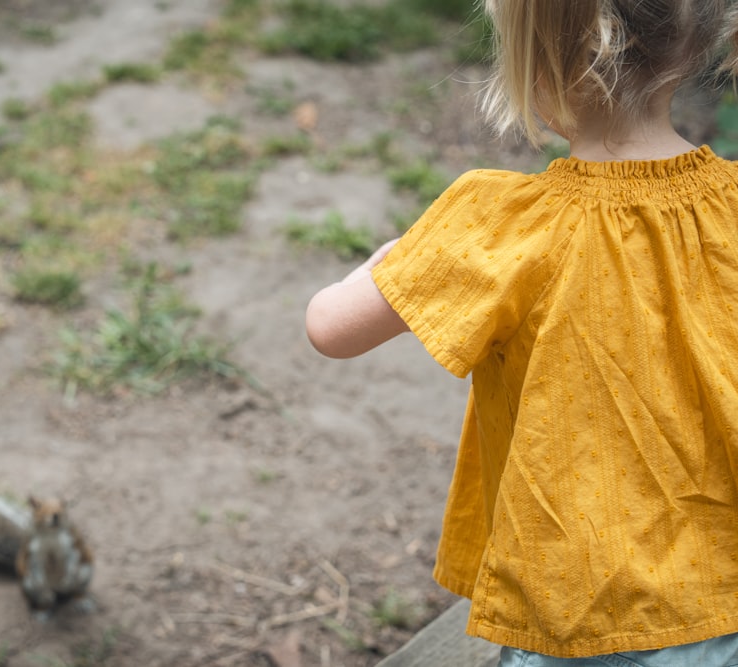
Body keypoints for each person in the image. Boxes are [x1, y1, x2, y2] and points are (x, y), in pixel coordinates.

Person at [305, 1, 738, 664]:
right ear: (695, 44)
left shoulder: (502, 226)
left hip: (577, 615)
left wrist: (376, 267)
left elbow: (331, 329)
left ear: (538, 62)